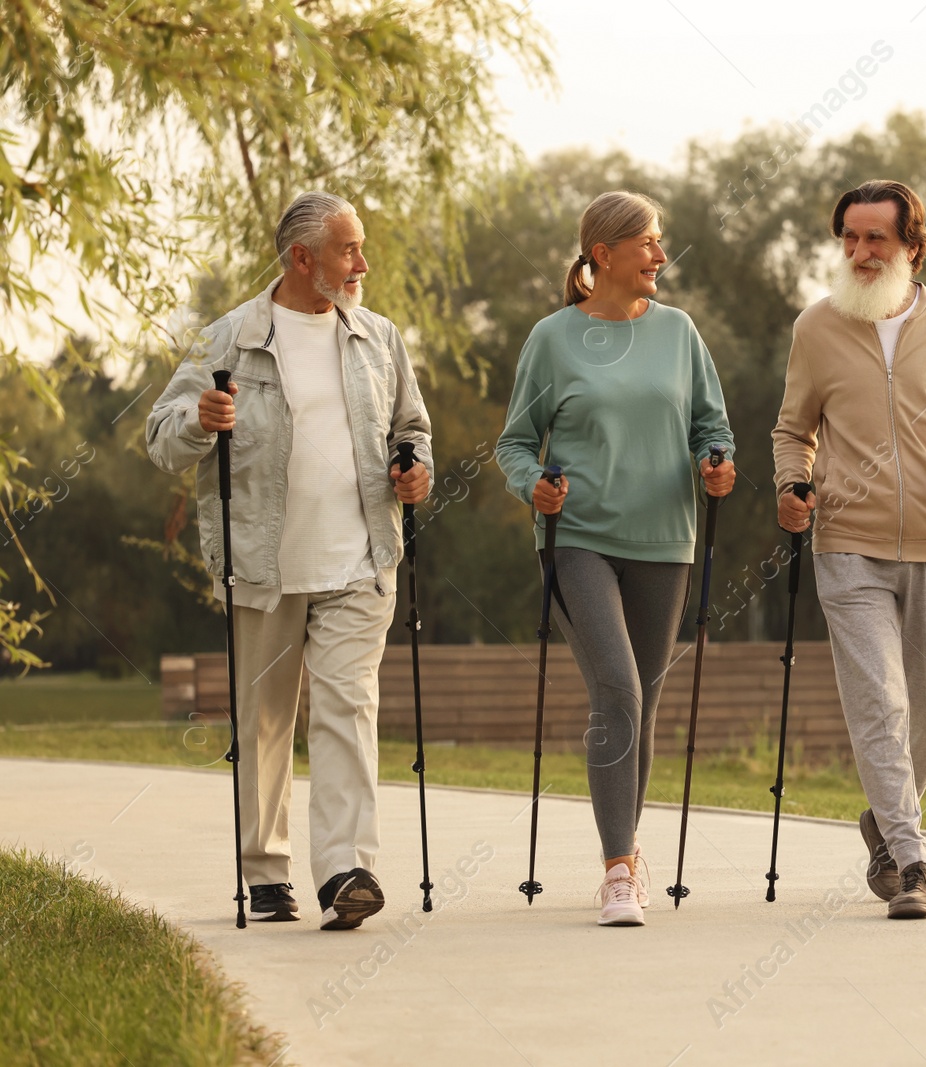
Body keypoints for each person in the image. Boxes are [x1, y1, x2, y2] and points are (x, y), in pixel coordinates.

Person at [147, 191, 433, 930]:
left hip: (361, 559)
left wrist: (415, 468)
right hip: (263, 563)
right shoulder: (229, 340)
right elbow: (160, 435)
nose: (362, 263)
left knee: (348, 708)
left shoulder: (379, 337)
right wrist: (196, 419)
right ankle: (265, 870)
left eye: (360, 247)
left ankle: (345, 868)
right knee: (266, 720)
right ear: (302, 259)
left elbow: (412, 426)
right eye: (348, 250)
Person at [773, 179, 926, 920]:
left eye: (876, 237)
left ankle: (883, 818)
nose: (860, 251)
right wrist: (792, 481)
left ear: (912, 245)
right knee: (880, 700)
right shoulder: (817, 327)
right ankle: (912, 863)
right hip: (848, 540)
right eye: (849, 237)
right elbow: (793, 430)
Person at [496, 190, 736, 927]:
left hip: (666, 540)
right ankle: (618, 872)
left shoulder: (679, 332)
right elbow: (513, 444)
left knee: (646, 702)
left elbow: (710, 425)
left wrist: (715, 463)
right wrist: (531, 485)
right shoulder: (553, 338)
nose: (662, 256)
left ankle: (627, 850)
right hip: (579, 540)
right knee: (620, 692)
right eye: (649, 243)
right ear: (603, 255)